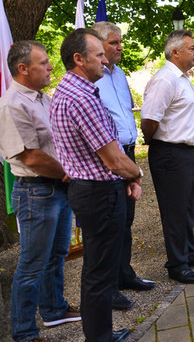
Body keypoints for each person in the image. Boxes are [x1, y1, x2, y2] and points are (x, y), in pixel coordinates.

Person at [51, 28, 141, 342]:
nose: (105, 60)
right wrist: (136, 174)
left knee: (96, 268)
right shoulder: (82, 98)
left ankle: (99, 334)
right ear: (79, 59)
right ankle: (100, 336)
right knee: (100, 272)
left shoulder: (67, 91)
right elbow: (114, 159)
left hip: (89, 190)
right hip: (99, 194)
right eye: (99, 54)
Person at [0, 41, 81, 342]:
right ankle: (24, 332)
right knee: (32, 265)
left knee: (56, 255)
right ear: (23, 68)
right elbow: (30, 157)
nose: (51, 67)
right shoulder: (12, 105)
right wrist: (67, 173)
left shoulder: (42, 99)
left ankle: (54, 309)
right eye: (44, 62)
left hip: (57, 187)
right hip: (36, 192)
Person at [141, 30, 194, 285]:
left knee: (187, 208)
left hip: (188, 153)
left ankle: (189, 253)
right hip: (171, 153)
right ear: (175, 52)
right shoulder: (165, 79)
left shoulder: (183, 79)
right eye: (191, 48)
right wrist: (160, 143)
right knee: (174, 211)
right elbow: (149, 120)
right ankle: (177, 265)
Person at [92, 22, 155, 313]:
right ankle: (109, 288)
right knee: (110, 224)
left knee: (125, 220)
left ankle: (124, 274)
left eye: (120, 42)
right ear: (97, 45)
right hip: (108, 156)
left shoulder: (118, 74)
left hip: (127, 151)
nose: (120, 47)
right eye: (114, 42)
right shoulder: (92, 78)